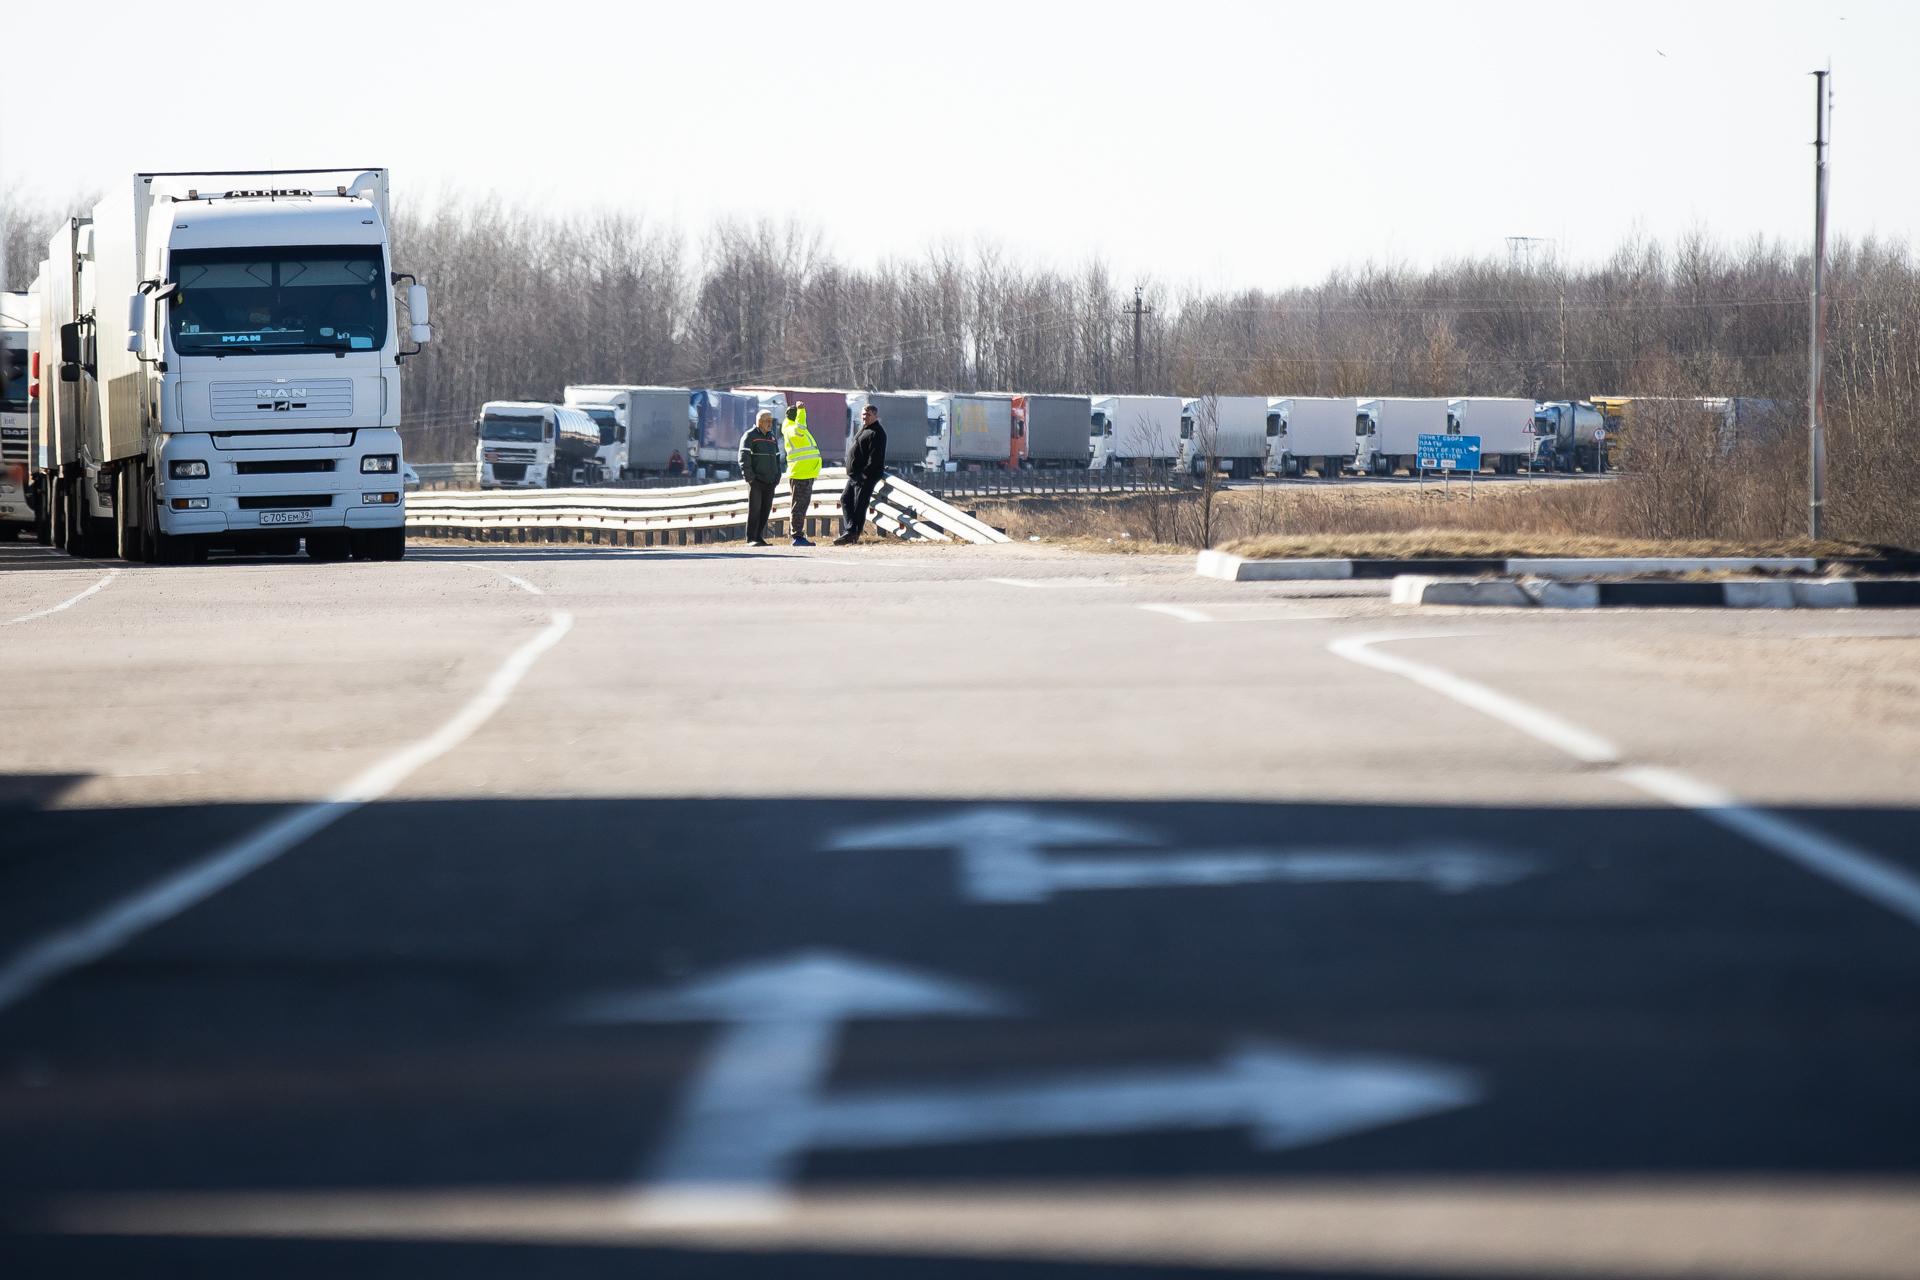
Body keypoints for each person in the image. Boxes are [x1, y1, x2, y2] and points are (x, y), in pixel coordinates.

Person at [836, 402, 886, 545]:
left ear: (875, 416)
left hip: (865, 476)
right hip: (854, 475)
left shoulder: (877, 432)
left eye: (868, 415)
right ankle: (849, 530)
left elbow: (875, 457)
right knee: (845, 500)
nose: (865, 417)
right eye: (864, 414)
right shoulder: (864, 429)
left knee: (859, 505)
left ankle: (853, 534)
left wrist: (865, 474)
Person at [781, 402, 823, 546]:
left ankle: (797, 535)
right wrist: (802, 410)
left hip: (803, 473)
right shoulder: (794, 430)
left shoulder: (789, 428)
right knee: (798, 507)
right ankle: (797, 536)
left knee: (800, 506)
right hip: (800, 474)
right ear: (797, 417)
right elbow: (800, 428)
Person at [738, 410, 782, 546]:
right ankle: (751, 538)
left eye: (771, 421)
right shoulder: (750, 436)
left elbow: (777, 458)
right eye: (768, 421)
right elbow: (744, 458)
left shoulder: (772, 437)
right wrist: (750, 477)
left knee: (765, 510)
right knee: (755, 510)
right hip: (756, 481)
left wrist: (777, 476)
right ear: (759, 422)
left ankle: (759, 536)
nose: (770, 424)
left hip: (770, 481)